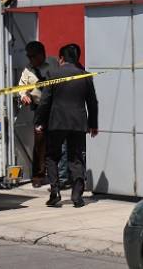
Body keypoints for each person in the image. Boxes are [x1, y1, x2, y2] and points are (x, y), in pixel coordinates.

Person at [35, 45, 98, 208]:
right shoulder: (85, 76)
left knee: (52, 156)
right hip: (78, 123)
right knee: (76, 158)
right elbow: (92, 102)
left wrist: (39, 121)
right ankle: (77, 196)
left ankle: (55, 192)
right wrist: (93, 124)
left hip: (57, 122)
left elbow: (45, 101)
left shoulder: (53, 74)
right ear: (77, 58)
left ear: (61, 58)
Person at [18, 41, 58, 187]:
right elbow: (21, 87)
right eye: (29, 57)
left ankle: (57, 175)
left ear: (42, 55)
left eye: (33, 57)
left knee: (56, 141)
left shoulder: (53, 64)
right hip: (39, 109)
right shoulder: (28, 70)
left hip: (55, 108)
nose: (30, 60)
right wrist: (23, 96)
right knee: (39, 142)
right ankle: (38, 176)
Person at [56, 43, 84, 191]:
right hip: (78, 118)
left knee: (65, 149)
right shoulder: (82, 71)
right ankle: (77, 180)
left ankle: (64, 179)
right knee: (76, 151)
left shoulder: (60, 73)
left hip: (63, 118)